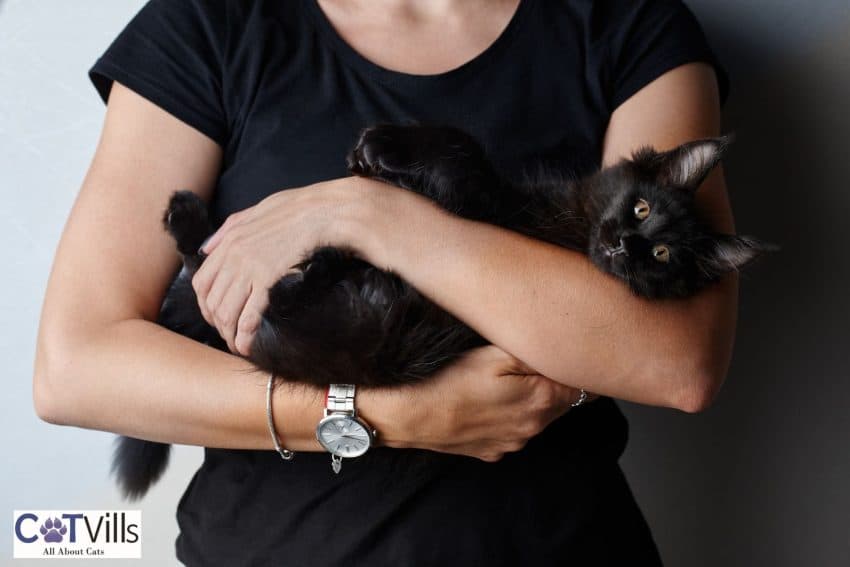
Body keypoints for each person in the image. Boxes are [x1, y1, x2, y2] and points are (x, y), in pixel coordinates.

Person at [33, 0, 736, 564]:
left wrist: (371, 214)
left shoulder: (630, 26)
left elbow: (676, 359)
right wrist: (386, 416)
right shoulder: (211, 24)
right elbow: (76, 366)